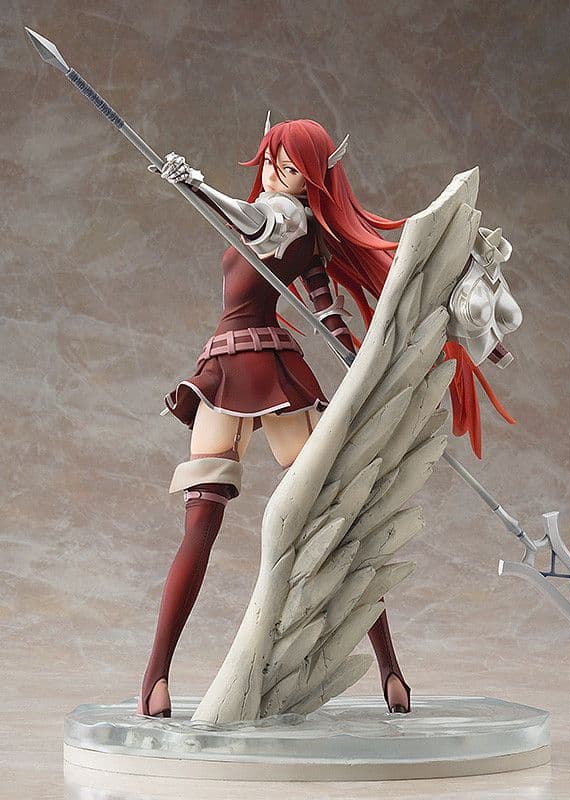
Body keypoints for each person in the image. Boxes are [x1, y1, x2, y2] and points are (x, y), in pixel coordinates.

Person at [138, 118, 412, 718]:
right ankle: (390, 671)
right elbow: (326, 309)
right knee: (286, 519)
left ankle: (156, 680)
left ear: (310, 181)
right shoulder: (300, 231)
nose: (272, 174)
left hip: (249, 369)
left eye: (288, 169)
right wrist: (355, 352)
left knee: (319, 518)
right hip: (246, 371)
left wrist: (197, 186)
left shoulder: (290, 217)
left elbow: (256, 221)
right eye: (270, 161)